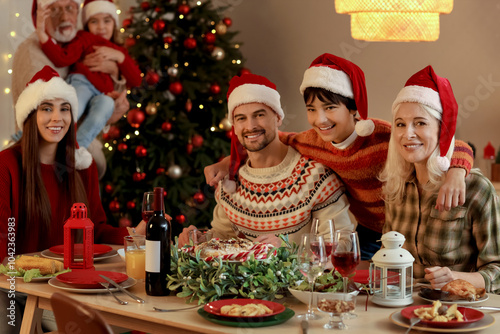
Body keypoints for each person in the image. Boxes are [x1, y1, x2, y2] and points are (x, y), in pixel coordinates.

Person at [205, 54, 474, 260]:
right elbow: (269, 139)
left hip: (406, 226)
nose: (319, 120)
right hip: (367, 233)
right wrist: (227, 161)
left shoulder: (383, 137)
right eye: (311, 109)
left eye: (330, 108)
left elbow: (449, 142)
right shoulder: (311, 141)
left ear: (354, 109)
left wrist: (456, 171)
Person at [178, 74, 354, 247]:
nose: (250, 126)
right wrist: (202, 240)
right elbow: (224, 236)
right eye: (241, 118)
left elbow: (343, 245)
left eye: (259, 115)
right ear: (235, 126)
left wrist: (284, 252)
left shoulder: (316, 177)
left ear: (278, 118)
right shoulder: (229, 181)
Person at [0, 66, 146, 263]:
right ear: (30, 115)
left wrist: (136, 233)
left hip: (68, 280)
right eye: (47, 108)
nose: (57, 118)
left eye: (64, 108)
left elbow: (95, 231)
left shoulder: (83, 167)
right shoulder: (6, 165)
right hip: (18, 286)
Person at [380, 66, 500, 292]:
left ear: (442, 130)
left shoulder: (475, 188)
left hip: (457, 313)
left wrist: (455, 278)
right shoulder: (395, 187)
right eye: (400, 124)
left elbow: (498, 268)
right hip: (402, 307)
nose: (408, 134)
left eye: (420, 122)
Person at [11, 0, 130, 178]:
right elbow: (49, 121)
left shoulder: (79, 43)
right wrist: (104, 116)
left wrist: (114, 70)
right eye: (55, 9)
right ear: (40, 15)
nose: (65, 17)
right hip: (48, 166)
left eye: (70, 8)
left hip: (80, 164)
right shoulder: (32, 53)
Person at [35, 0, 142, 149]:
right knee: (73, 109)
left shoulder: (119, 51)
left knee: (106, 106)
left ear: (114, 23)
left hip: (102, 95)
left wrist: (120, 57)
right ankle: (34, 136)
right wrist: (41, 32)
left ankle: (75, 150)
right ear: (87, 24)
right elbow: (61, 58)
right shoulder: (84, 38)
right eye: (94, 21)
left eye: (107, 20)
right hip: (83, 83)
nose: (101, 27)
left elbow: (136, 80)